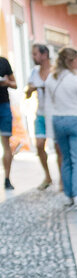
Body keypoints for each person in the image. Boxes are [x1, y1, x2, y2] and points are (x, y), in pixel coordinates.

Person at [44, 47, 77, 208]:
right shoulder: (76, 79)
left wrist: (50, 133)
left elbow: (48, 105)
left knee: (66, 159)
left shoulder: (51, 78)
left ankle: (68, 195)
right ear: (70, 61)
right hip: (76, 119)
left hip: (58, 120)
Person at [25, 42, 55, 189]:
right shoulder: (34, 72)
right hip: (41, 113)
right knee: (39, 145)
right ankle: (47, 176)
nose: (33, 56)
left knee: (58, 147)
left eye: (35, 53)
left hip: (55, 113)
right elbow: (27, 93)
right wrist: (31, 89)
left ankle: (62, 179)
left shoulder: (55, 71)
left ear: (44, 55)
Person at [0, 53, 16, 189]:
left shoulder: (4, 62)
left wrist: (6, 83)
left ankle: (7, 178)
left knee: (6, 145)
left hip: (4, 106)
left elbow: (15, 83)